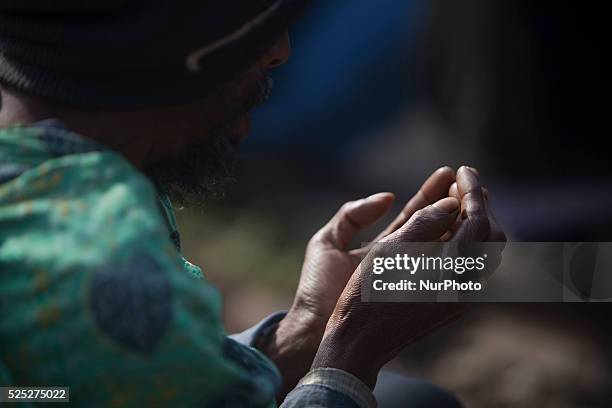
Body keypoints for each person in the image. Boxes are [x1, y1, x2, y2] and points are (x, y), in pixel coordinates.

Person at [0, 1, 504, 406]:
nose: (278, 51)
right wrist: (353, 348)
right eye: (251, 25)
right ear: (179, 49)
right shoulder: (101, 259)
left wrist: (306, 328)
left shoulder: (47, 178)